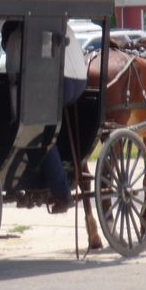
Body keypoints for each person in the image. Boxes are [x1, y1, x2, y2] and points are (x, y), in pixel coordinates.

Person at [42, 23, 88, 213]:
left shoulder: (21, 34)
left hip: (64, 81)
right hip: (79, 80)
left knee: (43, 134)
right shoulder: (61, 23)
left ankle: (62, 192)